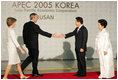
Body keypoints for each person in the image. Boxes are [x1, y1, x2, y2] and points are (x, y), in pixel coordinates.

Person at [21, 13, 57, 77]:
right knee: (35, 58)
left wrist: (25, 43)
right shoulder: (35, 26)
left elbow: (24, 34)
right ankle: (35, 73)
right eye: (37, 17)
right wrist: (51, 35)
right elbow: (42, 32)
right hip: (34, 45)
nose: (37, 18)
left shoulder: (26, 24)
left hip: (28, 44)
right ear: (33, 18)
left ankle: (21, 68)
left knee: (31, 57)